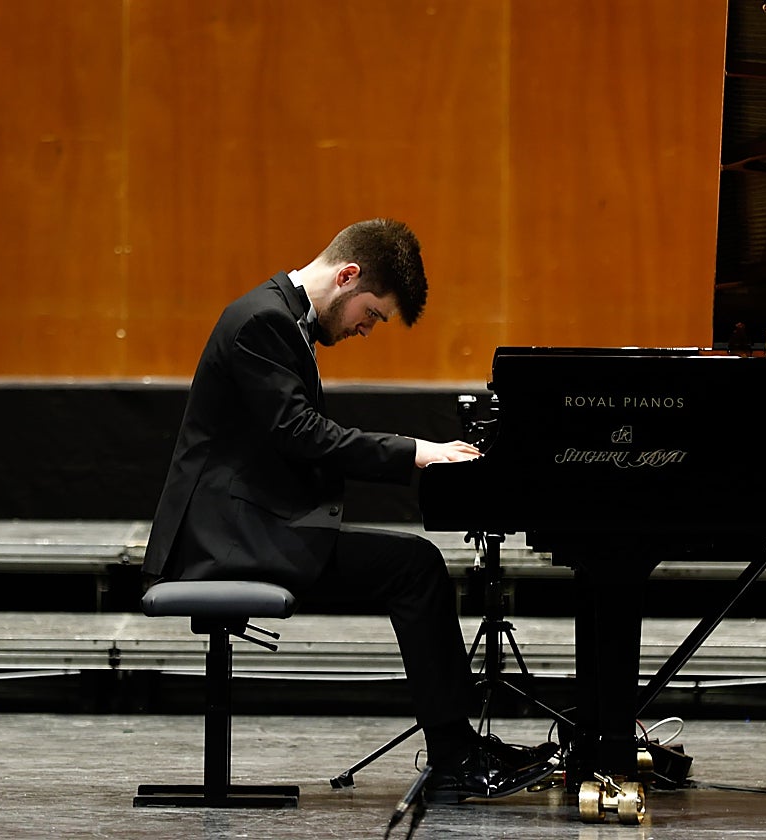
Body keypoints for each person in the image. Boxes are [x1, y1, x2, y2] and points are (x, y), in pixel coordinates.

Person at [141, 218, 558, 803]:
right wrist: (417, 453)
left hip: (247, 525)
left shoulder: (279, 317)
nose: (368, 329)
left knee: (412, 564)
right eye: (373, 314)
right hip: (223, 539)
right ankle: (455, 753)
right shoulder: (262, 321)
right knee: (413, 567)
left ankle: (457, 747)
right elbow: (301, 433)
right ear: (348, 275)